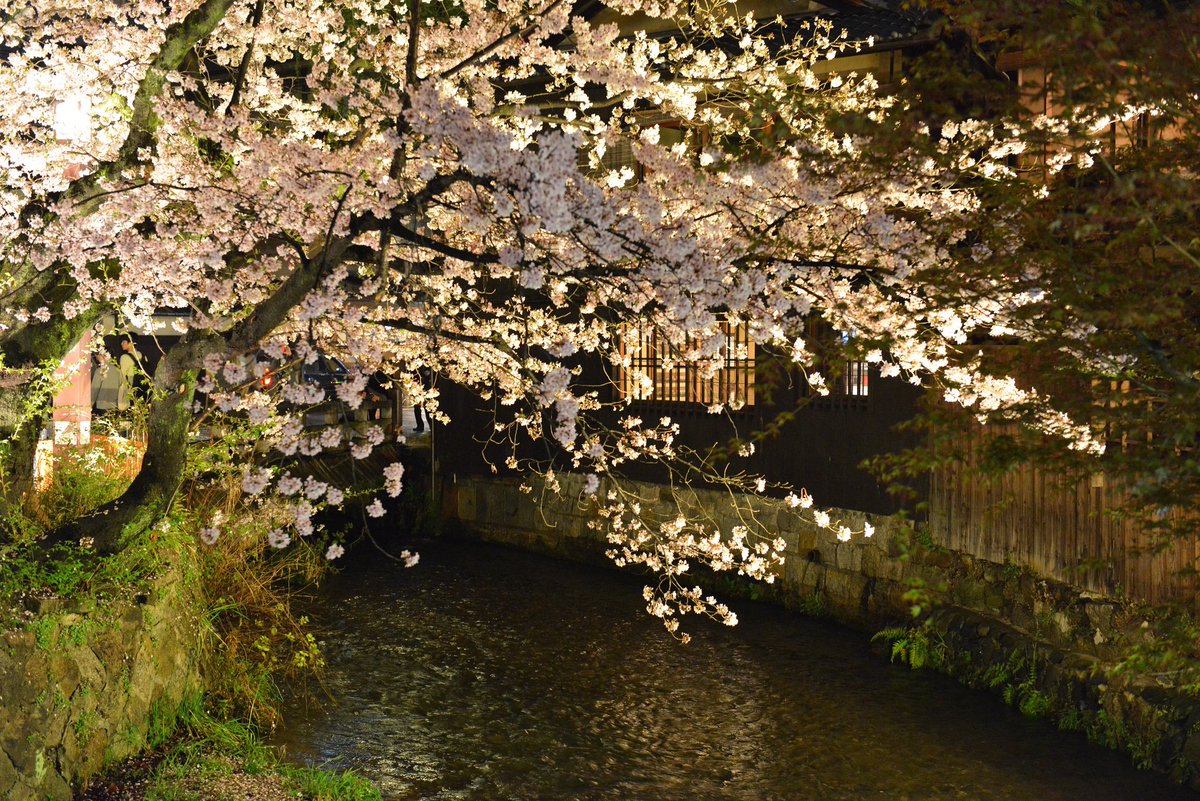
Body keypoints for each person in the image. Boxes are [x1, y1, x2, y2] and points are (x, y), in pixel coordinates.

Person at [116, 338, 144, 411]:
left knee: (126, 408)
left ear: (131, 342)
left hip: (129, 384)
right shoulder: (142, 355)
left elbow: (122, 375)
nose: (121, 344)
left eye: (124, 341)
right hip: (141, 384)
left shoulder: (125, 357)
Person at [412, 366, 432, 433]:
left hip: (426, 386)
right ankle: (420, 426)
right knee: (417, 407)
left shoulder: (426, 364)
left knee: (428, 408)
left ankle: (430, 425)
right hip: (417, 386)